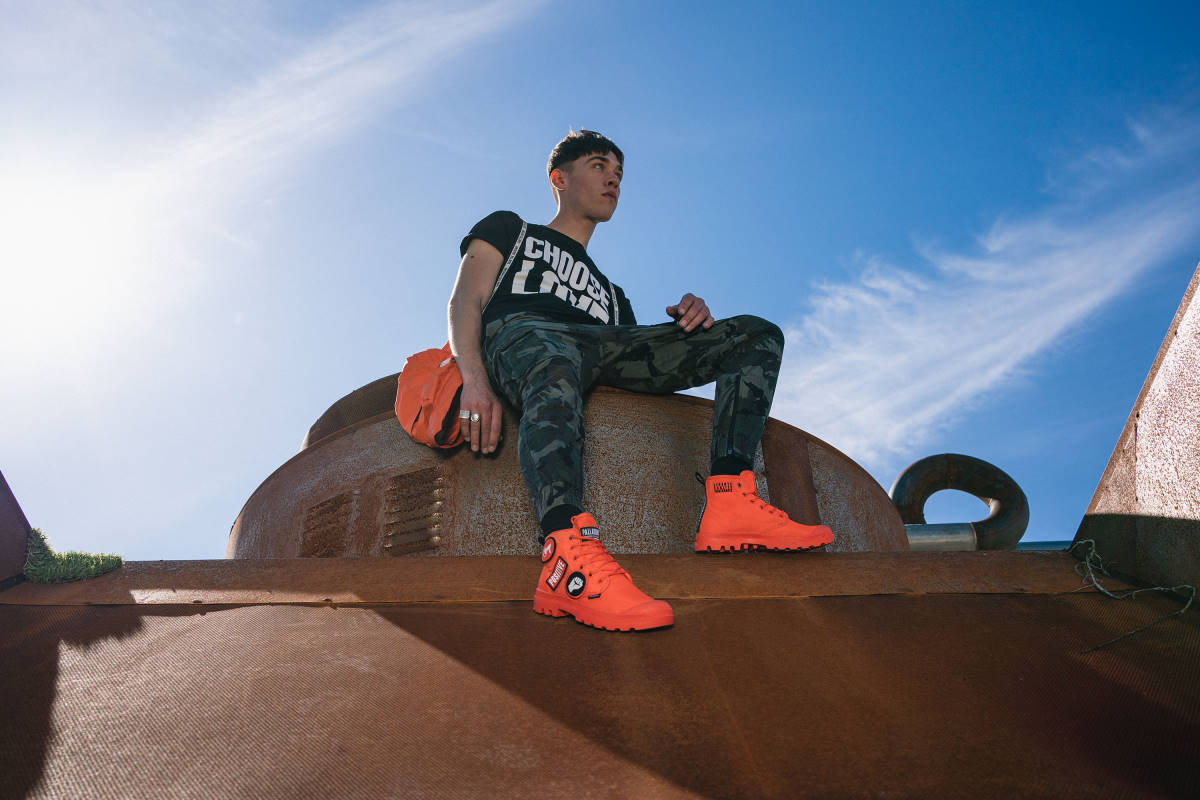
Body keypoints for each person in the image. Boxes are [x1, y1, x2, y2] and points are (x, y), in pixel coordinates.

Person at [447, 130, 833, 632]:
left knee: (754, 335)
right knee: (554, 361)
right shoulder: (511, 229)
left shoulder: (613, 297)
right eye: (598, 165)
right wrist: (473, 380)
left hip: (595, 344)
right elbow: (465, 300)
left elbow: (630, 377)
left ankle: (731, 498)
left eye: (619, 173)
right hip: (522, 335)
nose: (613, 179)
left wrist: (689, 327)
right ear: (559, 178)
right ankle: (566, 556)